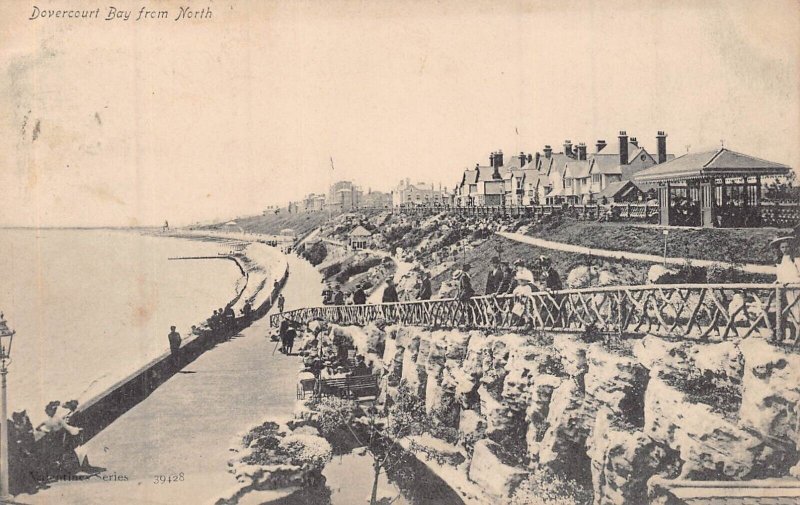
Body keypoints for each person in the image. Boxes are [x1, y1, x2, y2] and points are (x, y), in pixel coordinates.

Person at [772, 236, 800, 341]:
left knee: (796, 310)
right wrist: (778, 281)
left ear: (791, 247)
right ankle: (782, 335)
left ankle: (797, 335)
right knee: (782, 311)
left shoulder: (796, 260)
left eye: (787, 247)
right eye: (782, 247)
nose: (785, 249)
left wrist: (791, 281)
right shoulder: (780, 261)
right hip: (783, 290)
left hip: (795, 289)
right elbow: (781, 275)